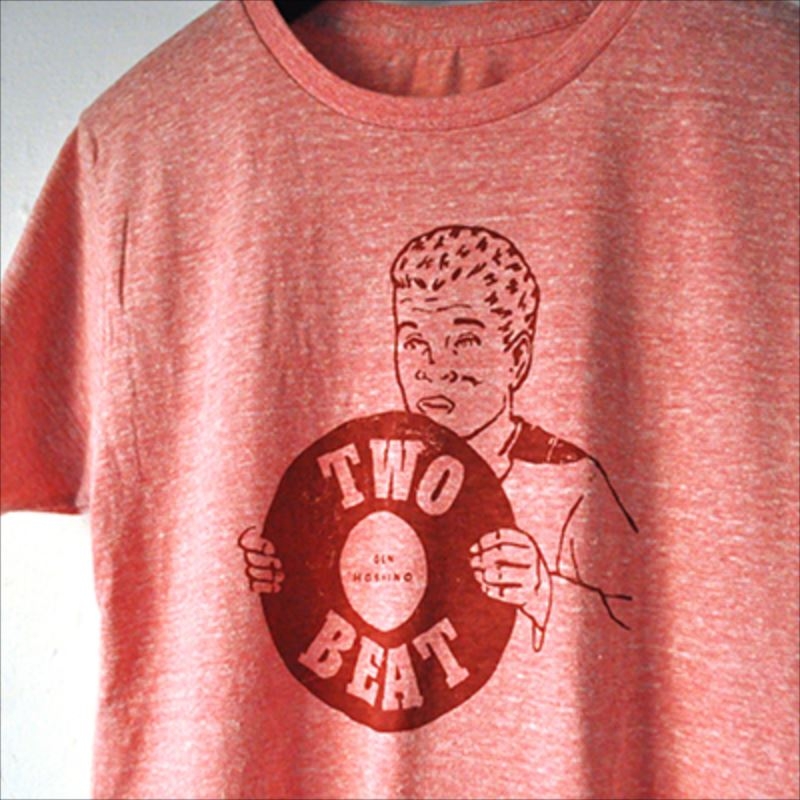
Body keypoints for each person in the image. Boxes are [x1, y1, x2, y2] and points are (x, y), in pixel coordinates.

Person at [240, 223, 638, 652]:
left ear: (518, 359)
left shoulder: (566, 478)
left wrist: (542, 592)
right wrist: (284, 580)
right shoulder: (356, 476)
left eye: (464, 341)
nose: (435, 367)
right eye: (415, 341)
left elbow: (641, 628)